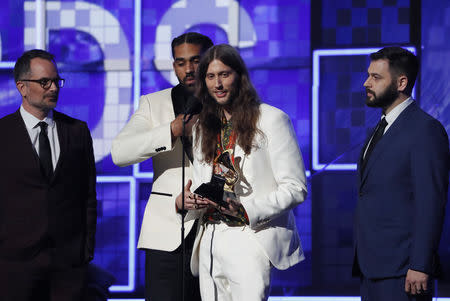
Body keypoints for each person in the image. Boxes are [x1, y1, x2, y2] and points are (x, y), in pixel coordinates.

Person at [176, 44, 307, 301]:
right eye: (211, 77)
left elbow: (295, 187)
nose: (218, 84)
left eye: (224, 74)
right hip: (210, 237)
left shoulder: (271, 120)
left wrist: (247, 210)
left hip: (249, 236)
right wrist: (187, 200)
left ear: (239, 76)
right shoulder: (203, 127)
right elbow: (203, 181)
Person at [111, 32, 213, 301]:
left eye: (195, 60)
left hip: (219, 231)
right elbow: (120, 152)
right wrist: (171, 129)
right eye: (180, 62)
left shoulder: (230, 103)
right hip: (168, 230)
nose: (188, 69)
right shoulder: (153, 103)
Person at [353, 46, 450, 301]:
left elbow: (431, 201)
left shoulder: (425, 130)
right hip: (371, 268)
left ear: (401, 82)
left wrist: (420, 264)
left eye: (376, 77)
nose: (366, 83)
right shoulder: (380, 128)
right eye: (368, 75)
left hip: (405, 272)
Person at [0, 49, 97, 300]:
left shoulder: (77, 131)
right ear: (22, 87)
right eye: (44, 82)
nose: (53, 87)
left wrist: (85, 251)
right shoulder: (2, 133)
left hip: (68, 266)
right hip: (13, 264)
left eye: (56, 81)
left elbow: (87, 195)